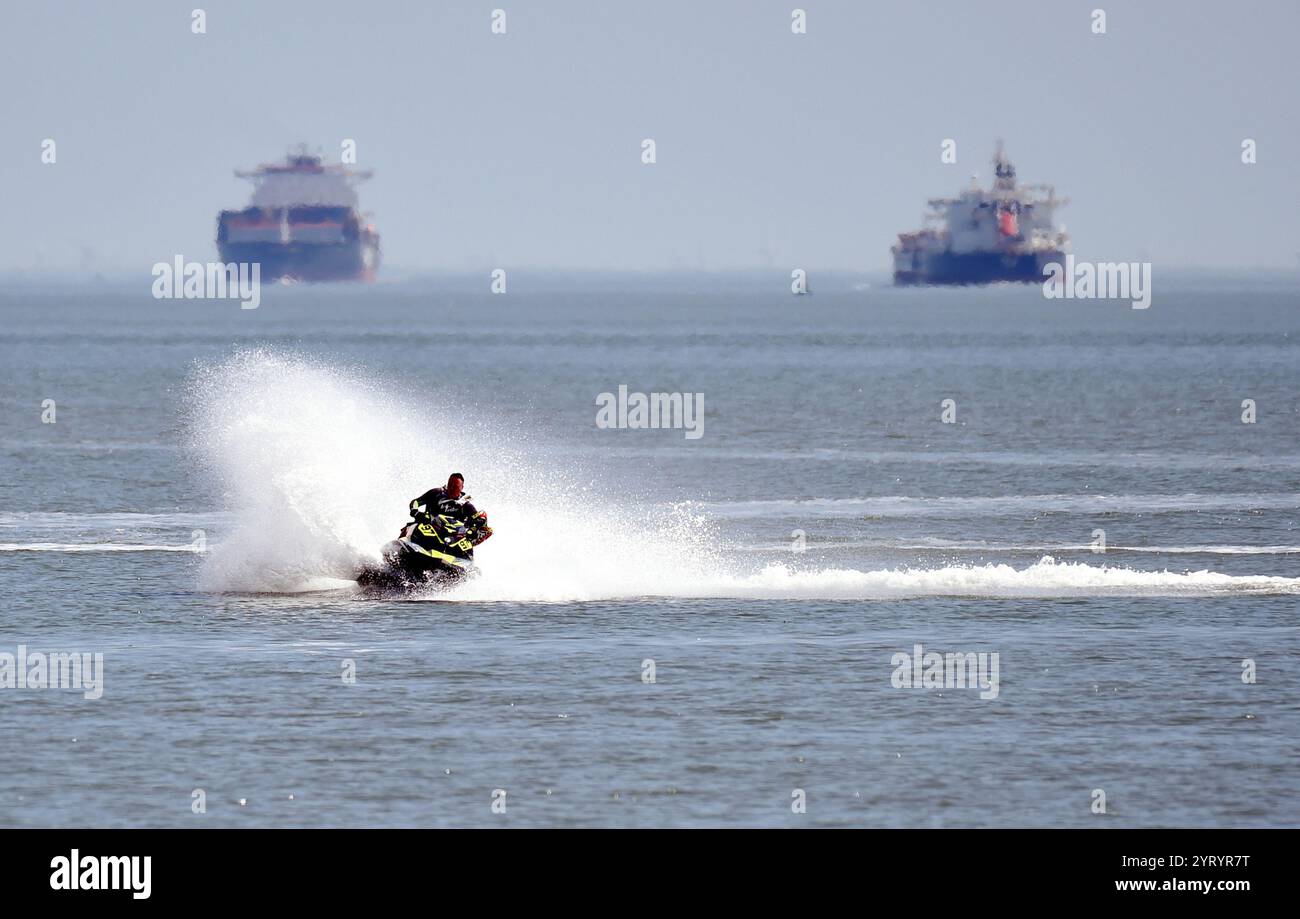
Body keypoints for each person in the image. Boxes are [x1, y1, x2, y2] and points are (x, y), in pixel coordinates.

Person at [406, 473, 492, 546]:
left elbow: (477, 518)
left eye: (455, 487)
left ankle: (466, 557)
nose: (452, 488)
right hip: (428, 529)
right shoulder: (436, 493)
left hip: (452, 538)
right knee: (412, 527)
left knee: (479, 532)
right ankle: (402, 547)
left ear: (462, 487)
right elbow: (416, 502)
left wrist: (474, 528)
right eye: (450, 485)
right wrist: (415, 512)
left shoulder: (466, 504)